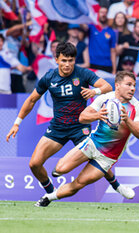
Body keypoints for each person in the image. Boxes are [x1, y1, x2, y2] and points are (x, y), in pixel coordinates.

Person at [5, 42, 126, 202]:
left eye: (70, 60)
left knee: (98, 158)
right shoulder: (49, 77)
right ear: (56, 59)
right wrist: (17, 123)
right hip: (58, 128)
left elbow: (107, 86)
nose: (67, 64)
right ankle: (50, 192)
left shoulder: (83, 73)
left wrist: (94, 91)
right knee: (34, 164)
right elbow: (32, 100)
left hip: (80, 127)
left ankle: (116, 185)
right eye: (64, 60)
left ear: (75, 60)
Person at [34, 71, 139, 207]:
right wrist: (98, 115)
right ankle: (117, 185)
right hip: (92, 144)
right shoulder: (105, 98)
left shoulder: (138, 107)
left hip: (107, 157)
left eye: (134, 85)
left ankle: (48, 198)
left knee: (78, 184)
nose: (133, 88)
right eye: (129, 85)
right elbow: (82, 117)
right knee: (60, 169)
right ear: (118, 85)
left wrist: (127, 120)